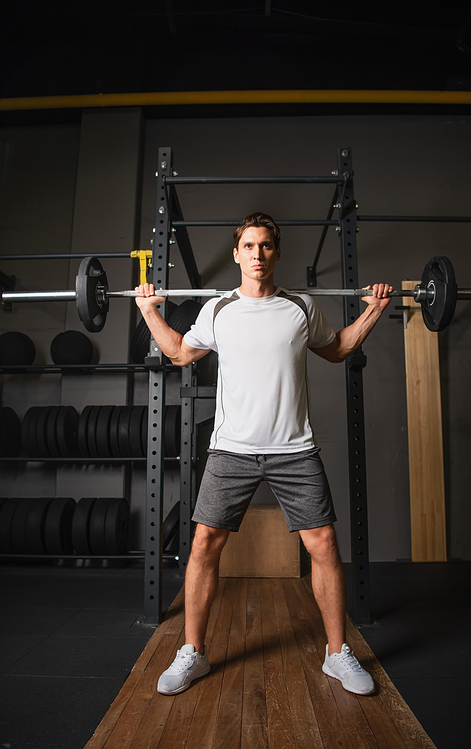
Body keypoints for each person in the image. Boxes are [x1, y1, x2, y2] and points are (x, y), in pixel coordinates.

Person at [135, 212, 392, 698]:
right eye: (249, 246)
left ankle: (337, 654)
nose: (257, 254)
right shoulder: (217, 309)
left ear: (277, 252)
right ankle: (194, 651)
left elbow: (336, 350)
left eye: (266, 246)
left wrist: (374, 312)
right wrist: (149, 310)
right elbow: (179, 353)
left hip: (294, 448)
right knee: (204, 543)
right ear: (237, 254)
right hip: (231, 449)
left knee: (323, 545)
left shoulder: (301, 306)